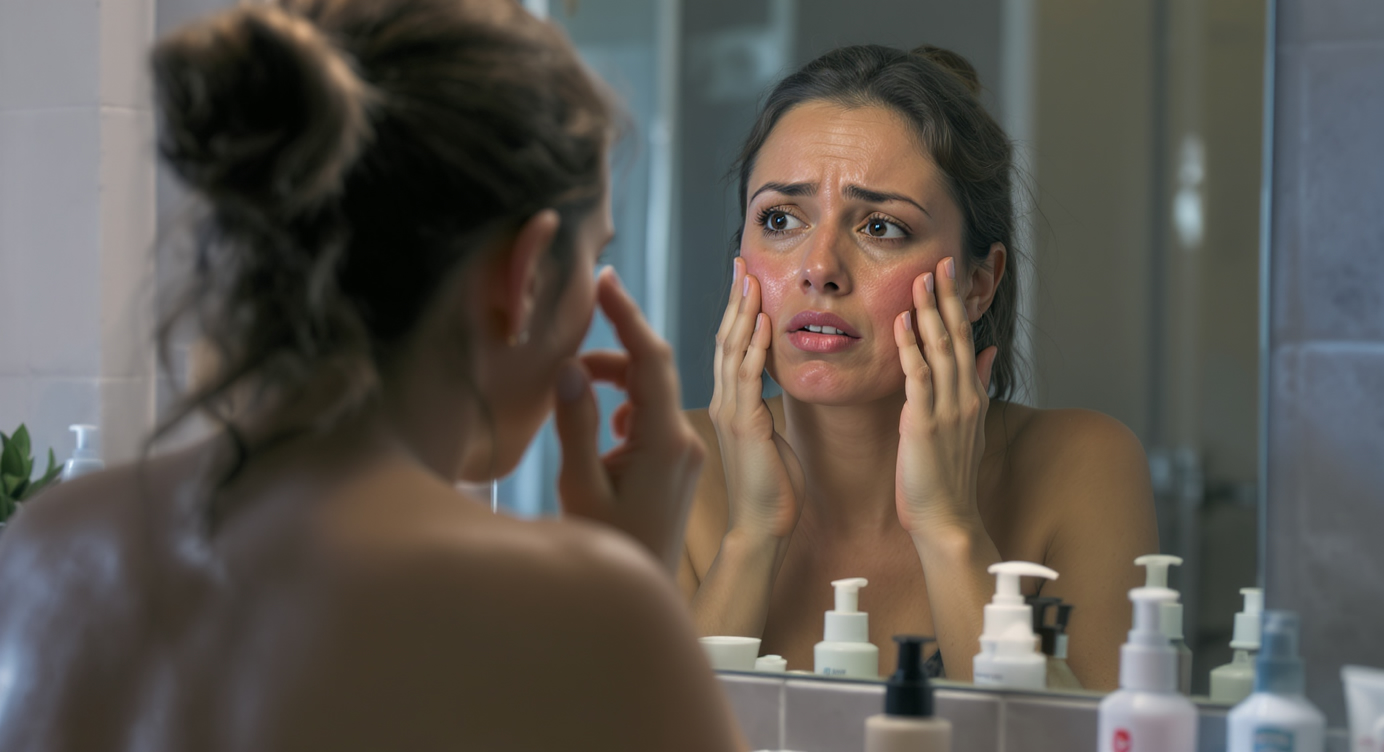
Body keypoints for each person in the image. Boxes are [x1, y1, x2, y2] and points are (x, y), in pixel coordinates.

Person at [0, 1, 741, 750]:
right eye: (592, 257)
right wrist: (624, 595)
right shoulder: (581, 612)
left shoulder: (43, 551)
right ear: (522, 276)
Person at [681, 44, 1159, 690]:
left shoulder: (1084, 467)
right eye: (780, 218)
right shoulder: (669, 468)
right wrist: (750, 538)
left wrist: (950, 529)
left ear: (978, 283)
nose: (817, 267)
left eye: (880, 227)